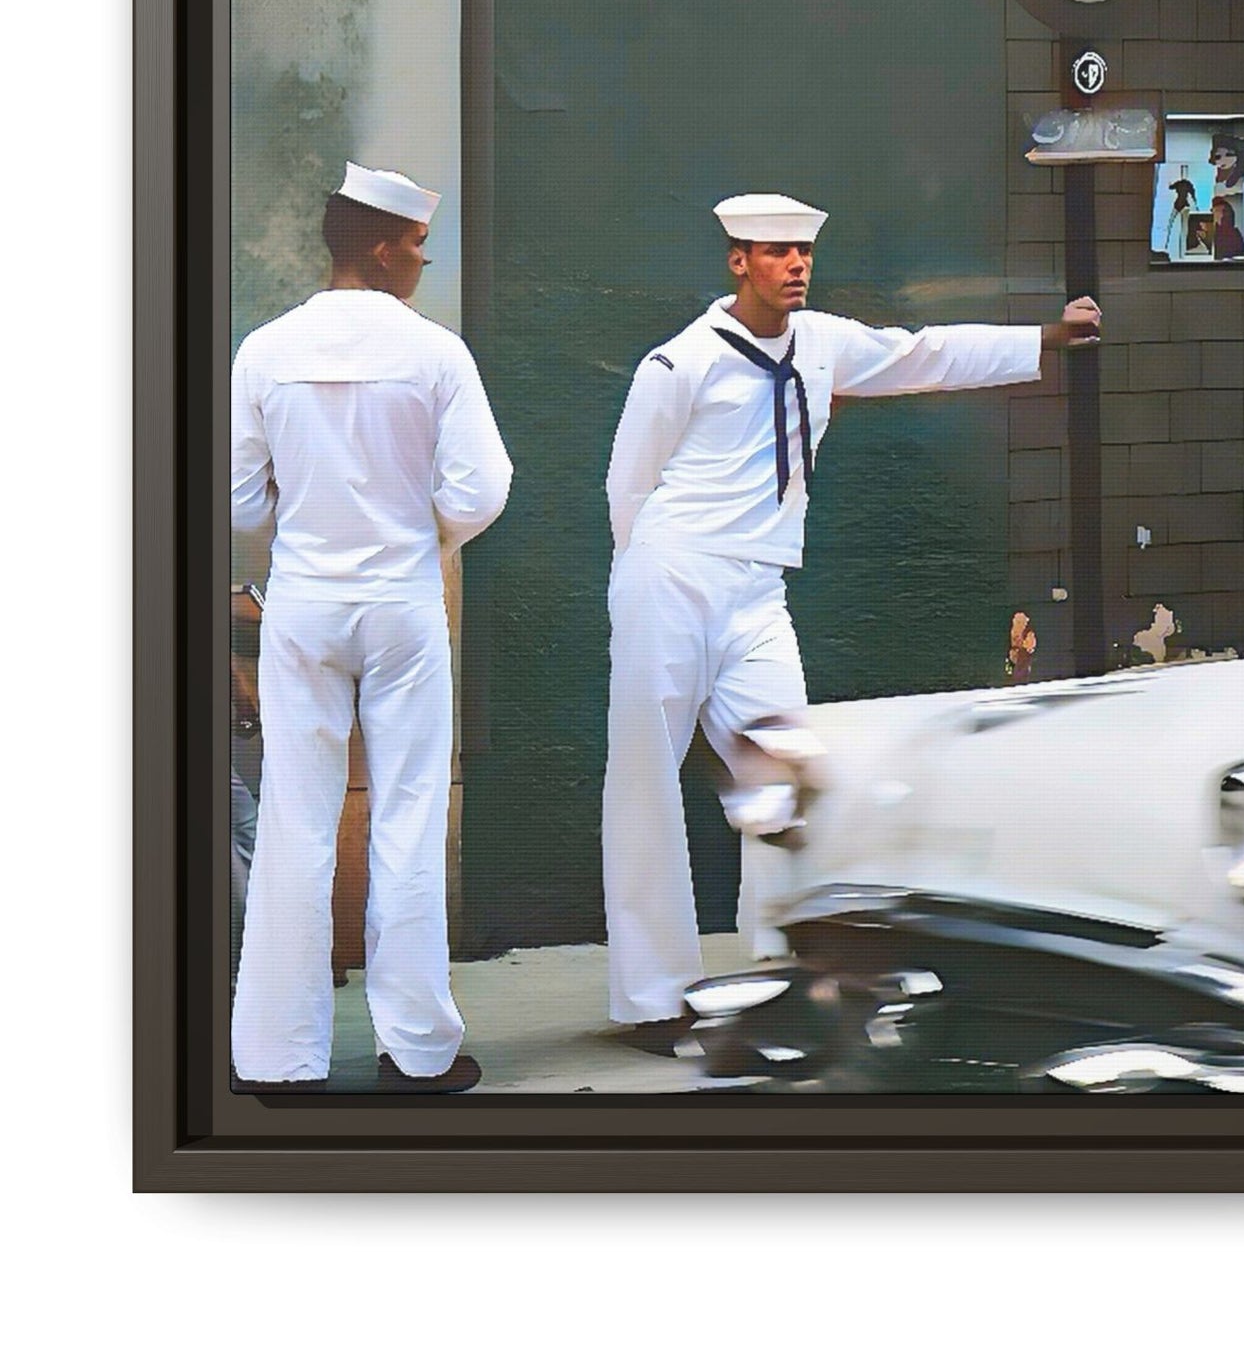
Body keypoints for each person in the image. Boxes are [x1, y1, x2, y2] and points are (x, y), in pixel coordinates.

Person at [600, 192, 1101, 1048]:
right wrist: (652, 581)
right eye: (776, 253)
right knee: (645, 775)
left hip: (760, 591)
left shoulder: (823, 341)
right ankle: (654, 997)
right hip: (670, 574)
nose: (796, 265)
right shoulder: (679, 363)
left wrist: (1046, 339)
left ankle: (783, 970)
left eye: (803, 252)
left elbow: (925, 354)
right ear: (738, 261)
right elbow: (627, 489)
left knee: (791, 773)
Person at [230, 162, 513, 1092]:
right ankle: (418, 1052)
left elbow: (237, 498)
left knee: (294, 818)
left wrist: (303, 528)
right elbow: (482, 489)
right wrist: (424, 534)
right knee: (408, 816)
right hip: (400, 601)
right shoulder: (437, 354)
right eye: (420, 244)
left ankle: (278, 1058)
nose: (426, 260)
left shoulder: (265, 349)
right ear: (386, 248)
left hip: (303, 603)